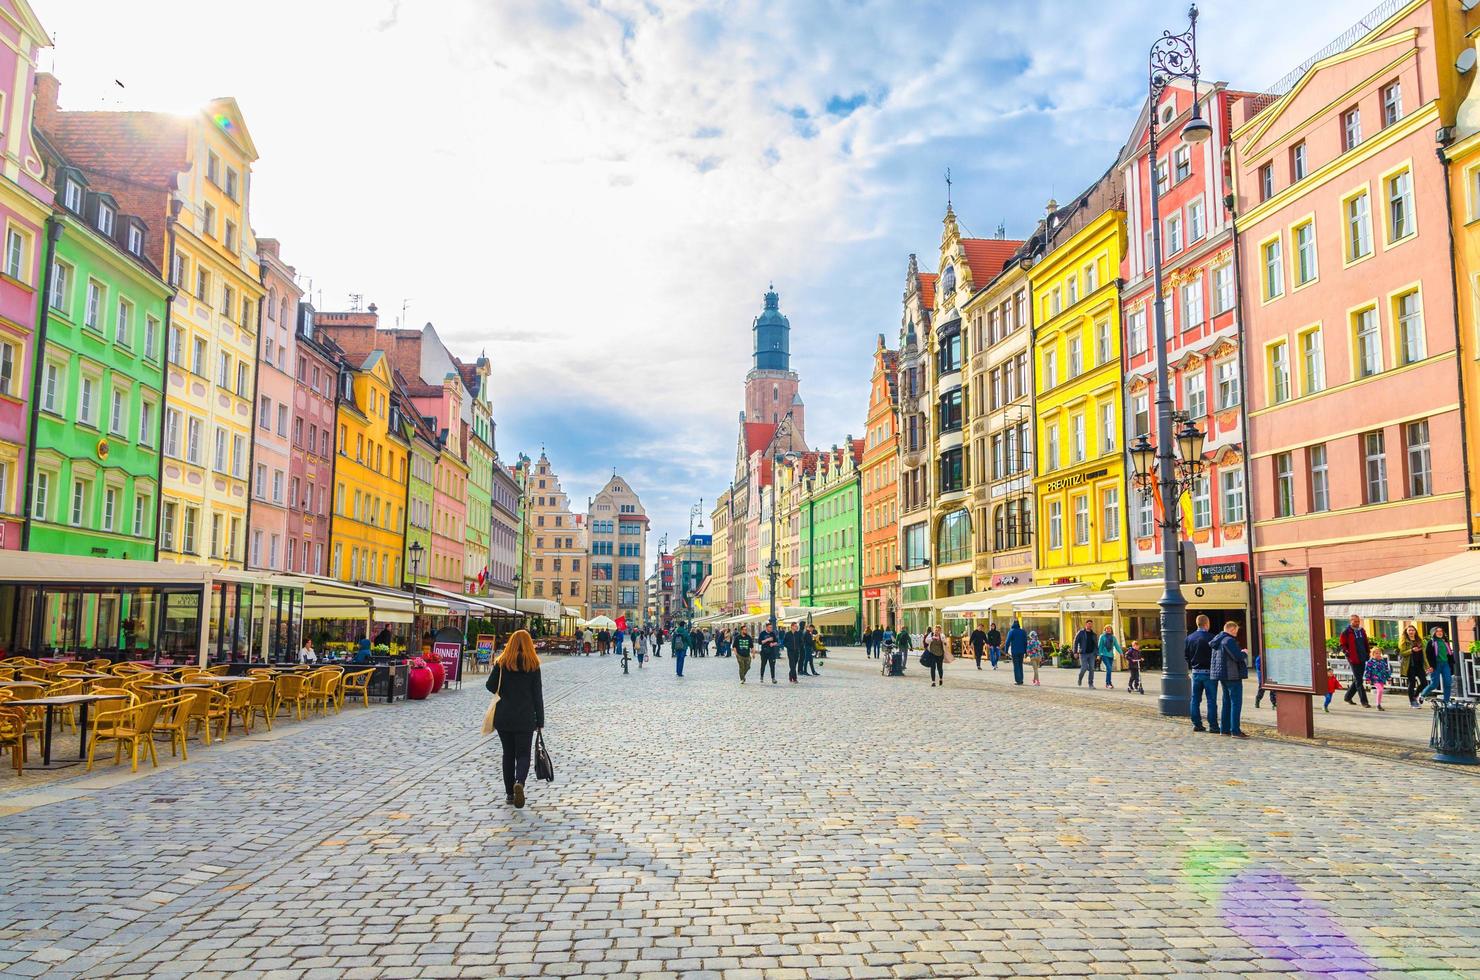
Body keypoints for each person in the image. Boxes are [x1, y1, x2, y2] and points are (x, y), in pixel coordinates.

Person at [484, 629, 545, 809]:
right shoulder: (533, 665)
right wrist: (540, 720)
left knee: (508, 754)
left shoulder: (502, 663)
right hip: (525, 717)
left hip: (504, 716)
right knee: (523, 754)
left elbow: (490, 686)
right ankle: (520, 781)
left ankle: (510, 794)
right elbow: (537, 695)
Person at [1209, 621, 1247, 738]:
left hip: (1222, 675)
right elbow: (1237, 657)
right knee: (1236, 703)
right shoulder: (1228, 640)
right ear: (1231, 629)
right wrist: (1244, 653)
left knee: (1226, 702)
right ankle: (1235, 730)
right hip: (1232, 675)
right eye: (1236, 630)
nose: (1236, 633)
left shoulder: (1218, 640)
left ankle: (1224, 729)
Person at [1186, 614, 1218, 733]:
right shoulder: (1212, 638)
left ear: (1197, 624)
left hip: (1195, 672)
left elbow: (1186, 655)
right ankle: (1213, 726)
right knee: (1211, 700)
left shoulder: (1189, 638)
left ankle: (1197, 724)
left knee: (1195, 699)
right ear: (1207, 624)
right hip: (1209, 673)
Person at [1339, 615, 1371, 708]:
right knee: (1359, 681)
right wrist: (1347, 653)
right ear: (1351, 621)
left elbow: (1366, 642)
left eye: (1358, 621)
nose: (1357, 623)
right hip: (1353, 658)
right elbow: (1342, 644)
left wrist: (1368, 653)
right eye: (1355, 621)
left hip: (1362, 657)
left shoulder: (1362, 630)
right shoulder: (1346, 631)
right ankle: (1364, 701)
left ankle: (1347, 697)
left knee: (1358, 679)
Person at [1418, 626, 1455, 703]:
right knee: (1434, 684)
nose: (1440, 632)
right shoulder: (1431, 643)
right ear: (1433, 633)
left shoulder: (1445, 641)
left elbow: (1449, 653)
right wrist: (1430, 666)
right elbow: (1427, 656)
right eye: (1437, 631)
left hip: (1445, 664)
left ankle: (1446, 701)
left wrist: (1451, 662)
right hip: (1435, 665)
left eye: (1441, 631)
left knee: (1448, 683)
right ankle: (1422, 695)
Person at [1400, 625, 1425, 707]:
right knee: (1412, 683)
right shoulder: (1404, 641)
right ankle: (1412, 702)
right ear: (1406, 632)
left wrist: (1427, 666)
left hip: (1419, 664)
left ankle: (1415, 695)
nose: (1411, 632)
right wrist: (1411, 650)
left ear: (1415, 631)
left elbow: (1424, 654)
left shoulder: (1419, 640)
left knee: (1424, 682)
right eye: (1409, 630)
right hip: (1410, 665)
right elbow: (1402, 653)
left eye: (1413, 630)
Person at [1364, 646, 1392, 711]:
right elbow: (1367, 670)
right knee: (1380, 690)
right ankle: (1378, 705)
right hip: (1375, 679)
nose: (1378, 654)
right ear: (1372, 654)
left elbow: (1386, 670)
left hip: (1382, 678)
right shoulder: (1370, 662)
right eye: (1376, 653)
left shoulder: (1382, 661)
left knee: (1380, 691)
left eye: (1379, 653)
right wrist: (1367, 679)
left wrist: (1388, 678)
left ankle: (1378, 704)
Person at [1073, 620, 1098, 688]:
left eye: (1091, 624)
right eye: (1088, 624)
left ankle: (1090, 684)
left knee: (1092, 669)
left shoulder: (1094, 634)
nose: (1090, 625)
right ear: (1086, 624)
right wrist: (1075, 652)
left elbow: (1096, 645)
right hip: (1083, 653)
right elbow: (1075, 642)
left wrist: (1097, 654)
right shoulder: (1081, 633)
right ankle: (1080, 678)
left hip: (1092, 654)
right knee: (1084, 668)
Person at [1098, 625, 1123, 689]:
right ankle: (1108, 683)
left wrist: (1121, 652)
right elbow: (1100, 646)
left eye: (1109, 629)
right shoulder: (1102, 636)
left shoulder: (1113, 637)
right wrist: (1099, 654)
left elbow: (1117, 646)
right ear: (1105, 629)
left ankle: (1109, 682)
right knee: (1109, 668)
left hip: (1111, 656)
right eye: (1107, 628)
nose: (1108, 630)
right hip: (1104, 655)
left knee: (1109, 670)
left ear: (1111, 630)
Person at [757, 620, 781, 685]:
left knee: (772, 665)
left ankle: (773, 678)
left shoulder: (773, 633)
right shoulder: (762, 633)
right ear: (766, 627)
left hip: (771, 652)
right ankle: (761, 677)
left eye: (771, 627)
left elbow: (776, 642)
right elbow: (759, 642)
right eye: (770, 627)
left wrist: (773, 644)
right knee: (763, 665)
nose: (771, 628)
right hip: (764, 652)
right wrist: (767, 640)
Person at [1005, 619, 1028, 686]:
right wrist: (1025, 652)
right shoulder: (1023, 632)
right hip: (1021, 651)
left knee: (1016, 666)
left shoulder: (1011, 631)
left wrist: (1006, 651)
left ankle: (1018, 680)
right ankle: (1021, 679)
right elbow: (1025, 642)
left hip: (1014, 651)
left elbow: (1007, 642)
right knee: (1020, 665)